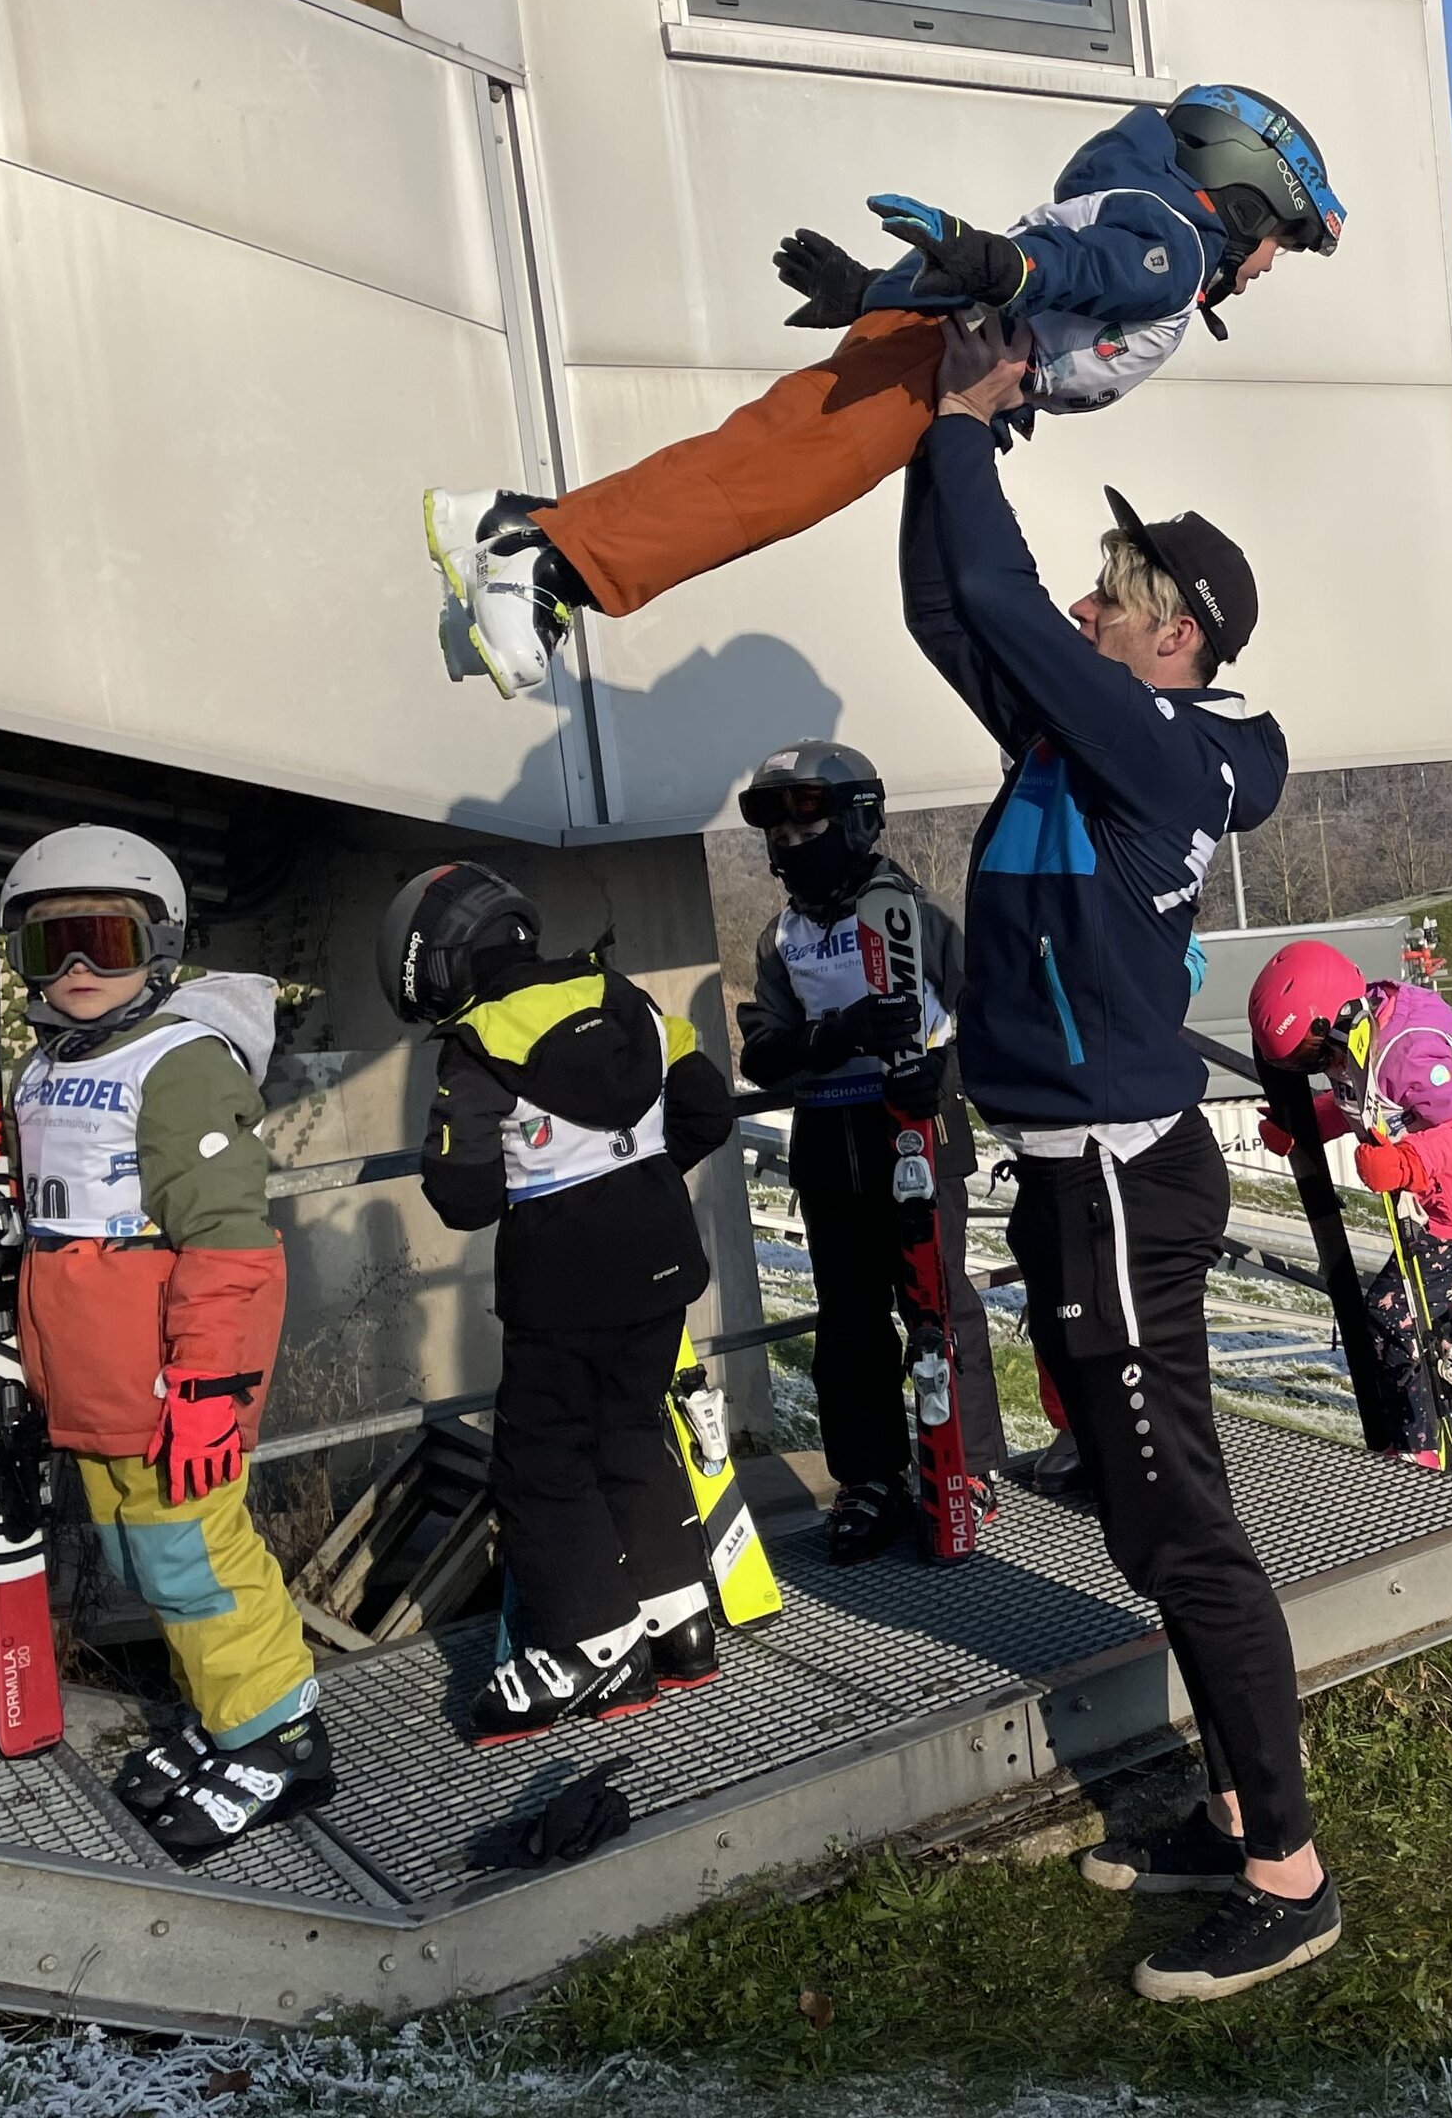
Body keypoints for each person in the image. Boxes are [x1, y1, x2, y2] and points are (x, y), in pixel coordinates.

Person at [895, 324, 1334, 2002]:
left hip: (1114, 1185)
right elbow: (952, 610)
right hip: (1069, 1175)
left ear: (1174, 636)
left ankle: (1288, 1874)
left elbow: (1001, 606)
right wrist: (937, 437)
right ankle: (1231, 1812)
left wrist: (964, 418)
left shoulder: (1149, 752)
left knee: (1182, 1532)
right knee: (1149, 1525)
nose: (1081, 612)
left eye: (1110, 598)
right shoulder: (1080, 737)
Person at [426, 86, 1343, 698]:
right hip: (932, 364)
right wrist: (1002, 267)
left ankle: (512, 526)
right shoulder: (1174, 250)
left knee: (750, 459)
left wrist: (870, 291)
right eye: (1279, 242)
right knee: (762, 489)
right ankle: (552, 570)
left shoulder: (1149, 218)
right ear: (1244, 197)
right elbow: (1072, 266)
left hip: (926, 345)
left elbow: (1046, 269)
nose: (1267, 266)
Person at [0, 828, 323, 1855]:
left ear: (160, 946)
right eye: (51, 947)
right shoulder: (46, 1066)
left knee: (198, 1560)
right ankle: (224, 1714)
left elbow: (230, 1244)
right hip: (90, 1383)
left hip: (165, 1382)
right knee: (148, 1561)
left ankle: (279, 1738)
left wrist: (209, 1386)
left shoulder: (178, 1064)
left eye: (106, 940)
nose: (79, 967)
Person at [382, 862, 737, 1743]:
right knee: (631, 1434)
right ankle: (678, 1623)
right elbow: (707, 1110)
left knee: (542, 1465)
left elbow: (464, 1197)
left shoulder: (478, 1040)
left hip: (564, 1283)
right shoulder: (619, 994)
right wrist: (634, 1176)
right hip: (661, 1257)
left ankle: (592, 1646)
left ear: (439, 962)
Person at [730, 739, 1004, 1559]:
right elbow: (762, 1051)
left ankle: (966, 1463)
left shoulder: (917, 916)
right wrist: (834, 1034)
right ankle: (869, 1475)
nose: (789, 846)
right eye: (777, 833)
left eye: (807, 827)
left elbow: (985, 1015)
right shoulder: (781, 938)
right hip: (828, 1138)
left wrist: (941, 1072)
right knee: (848, 1322)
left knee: (937, 1305)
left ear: (855, 822)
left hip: (913, 1128)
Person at [1248, 942, 1452, 1488]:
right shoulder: (1353, 1046)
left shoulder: (1408, 1049)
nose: (1322, 1069)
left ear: (1339, 1021)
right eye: (1302, 1065)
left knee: (1396, 1316)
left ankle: (1435, 1452)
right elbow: (1359, 1103)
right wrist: (1303, 1122)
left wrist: (1408, 1162)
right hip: (1434, 1209)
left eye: (1315, 1056)